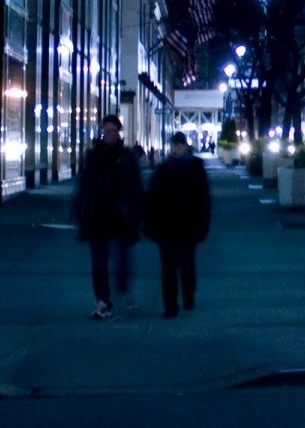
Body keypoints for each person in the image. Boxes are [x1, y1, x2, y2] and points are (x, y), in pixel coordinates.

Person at [73, 114, 146, 320]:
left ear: (119, 132)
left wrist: (138, 213)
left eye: (113, 130)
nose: (109, 134)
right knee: (99, 262)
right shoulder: (94, 156)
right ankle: (103, 300)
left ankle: (122, 288)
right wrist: (80, 212)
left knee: (122, 260)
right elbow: (84, 185)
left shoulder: (127, 156)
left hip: (120, 217)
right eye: (106, 131)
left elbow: (136, 187)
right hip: (98, 216)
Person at [146, 130, 211, 319]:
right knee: (168, 267)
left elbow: (203, 201)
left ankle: (188, 296)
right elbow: (152, 199)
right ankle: (170, 305)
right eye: (174, 145)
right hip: (167, 227)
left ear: (185, 146)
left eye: (179, 145)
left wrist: (202, 225)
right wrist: (151, 224)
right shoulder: (163, 170)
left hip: (188, 226)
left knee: (187, 265)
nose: (176, 148)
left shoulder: (195, 169)